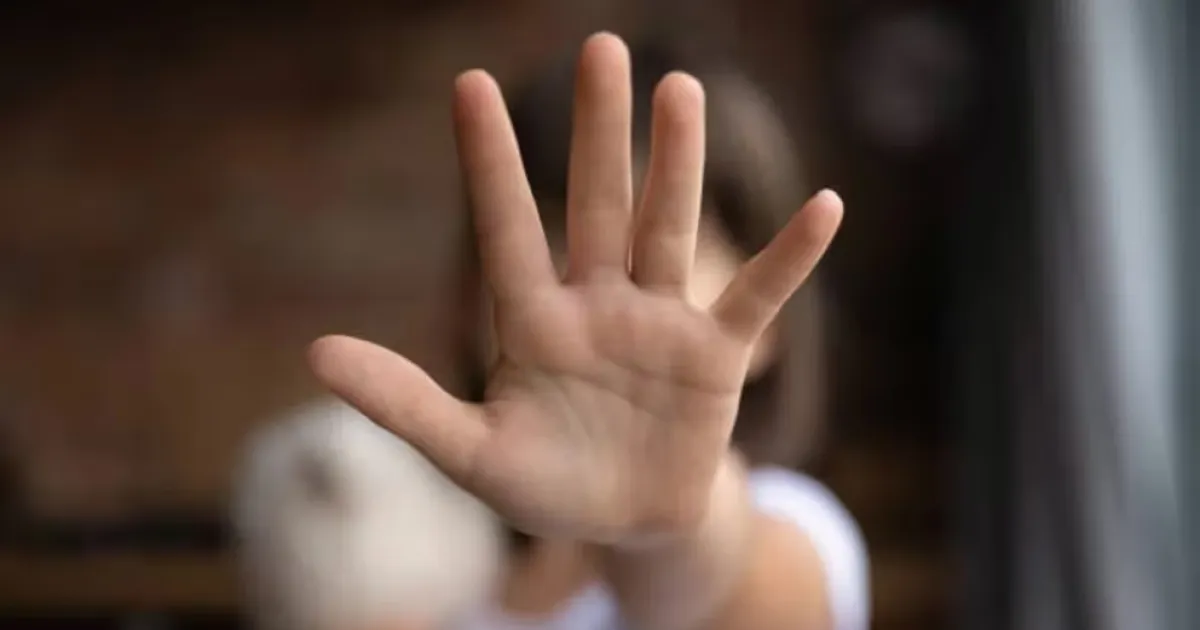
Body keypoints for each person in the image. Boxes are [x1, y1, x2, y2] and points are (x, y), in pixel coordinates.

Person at [234, 32, 869, 630]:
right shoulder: (440, 569)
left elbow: (729, 592)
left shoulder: (793, 529)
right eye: (549, 235)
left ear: (769, 323)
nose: (590, 298)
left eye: (650, 259)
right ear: (469, 293)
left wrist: (657, 527)